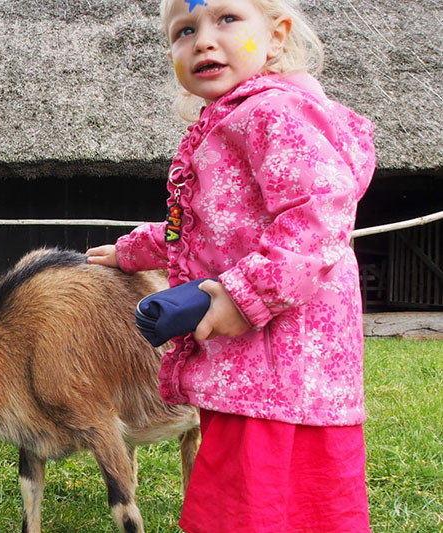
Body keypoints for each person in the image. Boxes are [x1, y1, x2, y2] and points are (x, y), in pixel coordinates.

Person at [86, 1, 375, 531]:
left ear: (276, 38)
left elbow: (319, 210)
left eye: (227, 20)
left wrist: (245, 295)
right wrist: (138, 249)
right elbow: (207, 224)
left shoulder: (273, 114)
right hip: (254, 364)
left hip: (282, 361)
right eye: (185, 30)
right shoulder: (229, 121)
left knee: (253, 505)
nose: (202, 40)